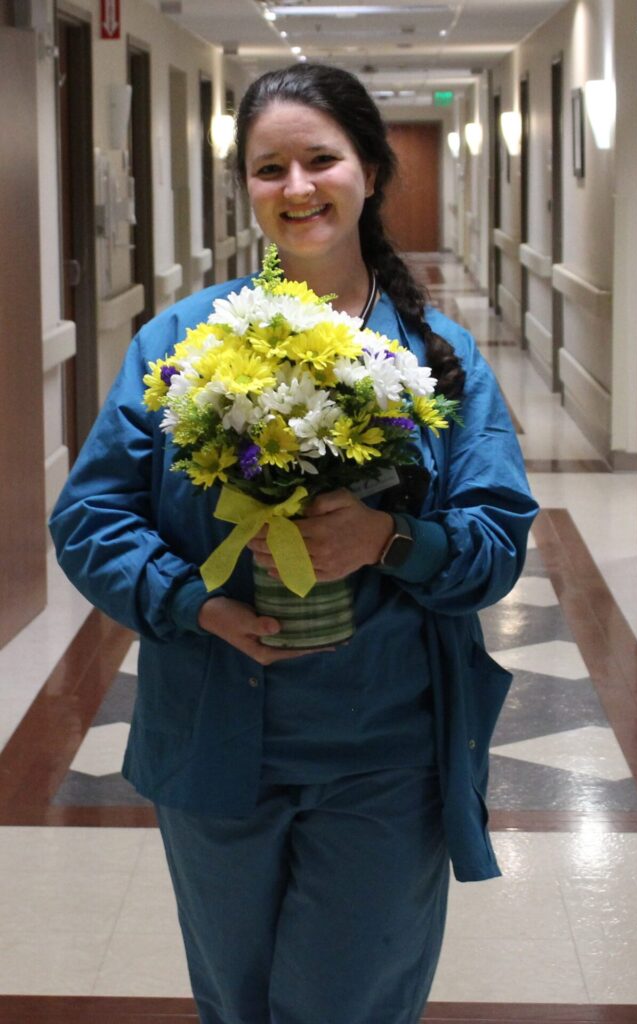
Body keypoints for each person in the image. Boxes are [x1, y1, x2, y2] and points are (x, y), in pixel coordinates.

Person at [50, 63, 538, 1024]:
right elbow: (89, 520)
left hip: (385, 751)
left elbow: (495, 543)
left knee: (346, 1003)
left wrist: (388, 540)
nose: (298, 189)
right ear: (245, 187)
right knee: (236, 1003)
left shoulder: (436, 354)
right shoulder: (181, 342)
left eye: (321, 160)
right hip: (213, 742)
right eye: (269, 168)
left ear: (370, 172)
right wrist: (195, 602)